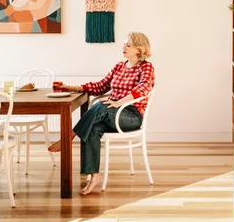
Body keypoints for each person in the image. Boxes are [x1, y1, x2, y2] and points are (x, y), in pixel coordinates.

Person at [50, 32, 155, 195]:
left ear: (139, 49)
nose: (124, 47)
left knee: (101, 105)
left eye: (128, 45)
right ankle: (94, 177)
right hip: (110, 112)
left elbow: (143, 89)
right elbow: (100, 86)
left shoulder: (146, 67)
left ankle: (69, 136)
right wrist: (71, 87)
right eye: (124, 44)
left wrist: (119, 103)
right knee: (92, 129)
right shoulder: (119, 66)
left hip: (131, 116)